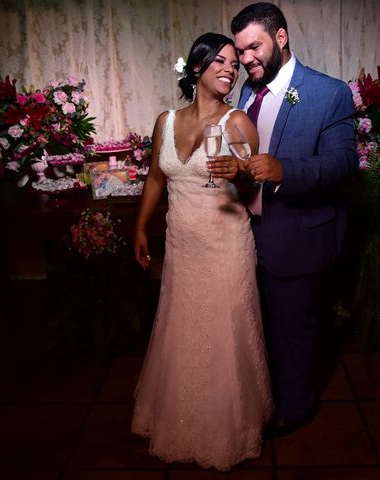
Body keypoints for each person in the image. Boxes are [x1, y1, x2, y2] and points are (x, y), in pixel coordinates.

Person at [131, 32, 272, 471]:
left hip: (226, 245)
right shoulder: (165, 122)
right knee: (182, 326)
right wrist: (140, 228)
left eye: (235, 62)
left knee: (224, 332)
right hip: (182, 244)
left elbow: (257, 183)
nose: (231, 68)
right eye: (222, 61)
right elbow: (156, 177)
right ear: (196, 68)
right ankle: (181, 418)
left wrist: (242, 173)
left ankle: (228, 427)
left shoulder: (238, 122)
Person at [229, 2, 358, 437]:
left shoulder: (328, 92)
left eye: (254, 47)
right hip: (245, 233)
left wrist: (286, 169)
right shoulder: (246, 93)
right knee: (258, 326)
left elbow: (344, 163)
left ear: (280, 38)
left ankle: (297, 408)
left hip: (299, 236)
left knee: (294, 330)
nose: (246, 58)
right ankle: (267, 397)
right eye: (241, 50)